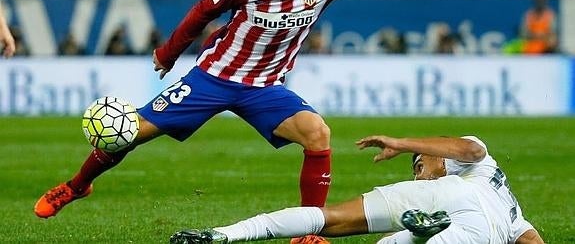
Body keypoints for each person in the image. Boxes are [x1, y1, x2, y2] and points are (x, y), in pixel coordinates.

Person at [34, 0, 475, 241]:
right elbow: (201, 13)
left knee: (317, 134)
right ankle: (76, 186)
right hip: (213, 77)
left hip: (265, 88)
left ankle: (310, 228)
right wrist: (169, 53)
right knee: (127, 133)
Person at [170, 135, 545, 244]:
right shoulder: (512, 211)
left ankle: (225, 234)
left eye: (420, 164)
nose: (417, 174)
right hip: (483, 232)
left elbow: (471, 148)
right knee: (354, 231)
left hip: (454, 204)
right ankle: (418, 235)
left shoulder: (468, 159)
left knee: (328, 219)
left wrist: (402, 143)